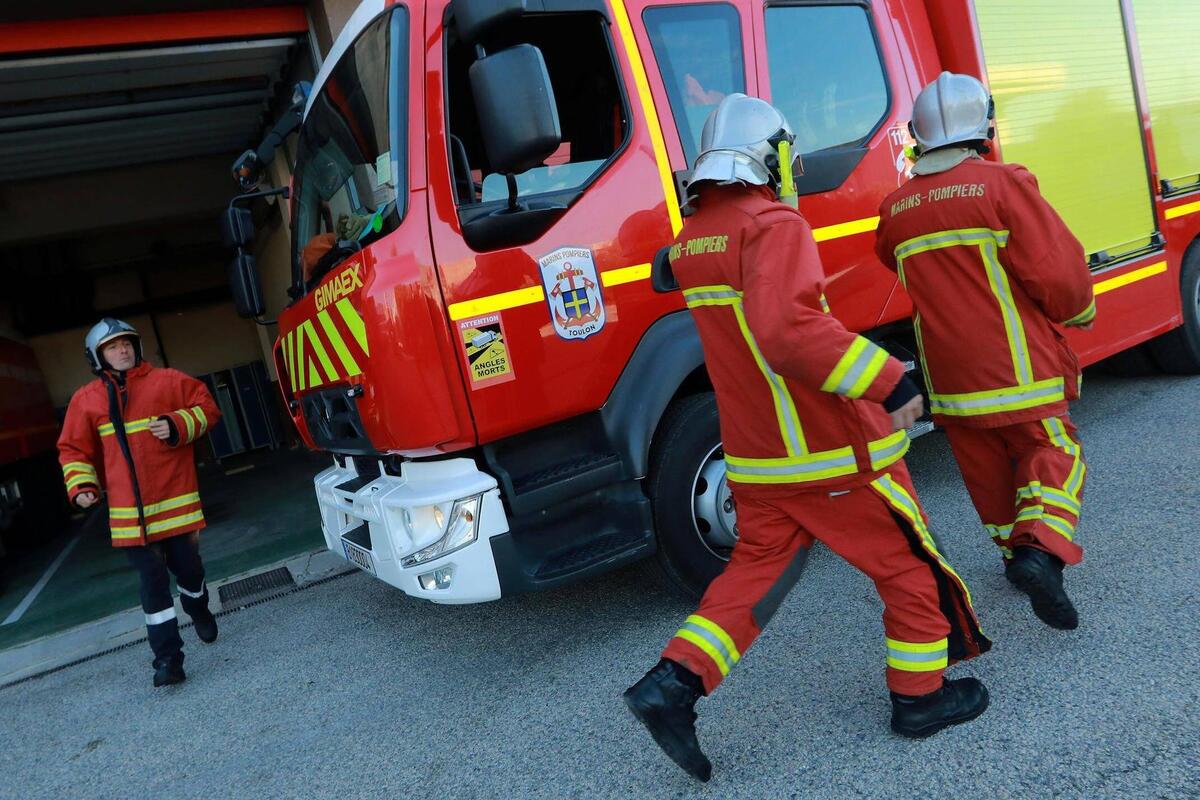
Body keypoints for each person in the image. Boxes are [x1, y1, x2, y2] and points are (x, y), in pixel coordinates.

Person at [623, 94, 991, 783]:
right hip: (827, 451)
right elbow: (789, 333)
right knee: (909, 567)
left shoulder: (695, 239)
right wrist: (889, 380)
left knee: (752, 576)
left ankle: (672, 686)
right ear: (772, 157)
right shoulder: (772, 226)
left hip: (756, 458)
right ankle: (921, 697)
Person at [875, 72, 1095, 631]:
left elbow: (890, 260)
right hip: (1019, 370)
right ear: (984, 127)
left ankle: (1014, 557)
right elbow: (1056, 270)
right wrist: (1078, 309)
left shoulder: (897, 209)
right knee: (1054, 455)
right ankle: (1040, 550)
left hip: (951, 381)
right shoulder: (1002, 185)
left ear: (919, 135)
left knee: (988, 476)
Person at [57, 318, 222, 687]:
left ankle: (197, 607)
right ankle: (168, 660)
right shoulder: (86, 400)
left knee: (189, 572)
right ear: (97, 356)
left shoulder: (168, 381)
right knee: (153, 583)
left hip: (176, 509)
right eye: (113, 347)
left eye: (127, 343)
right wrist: (81, 485)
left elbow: (208, 407)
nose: (123, 350)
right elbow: (73, 449)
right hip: (130, 520)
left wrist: (178, 423)